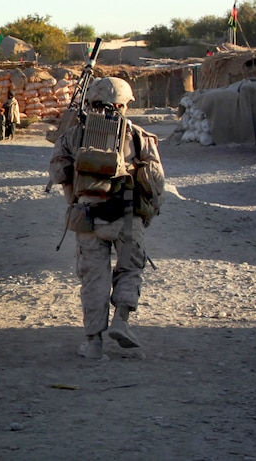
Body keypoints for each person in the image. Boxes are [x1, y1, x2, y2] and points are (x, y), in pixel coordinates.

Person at [48, 77, 165, 360]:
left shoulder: (73, 135)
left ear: (90, 102)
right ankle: (121, 322)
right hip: (127, 218)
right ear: (124, 104)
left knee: (93, 279)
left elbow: (58, 175)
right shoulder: (139, 136)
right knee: (129, 270)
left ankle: (93, 343)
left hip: (87, 217)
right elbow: (155, 181)